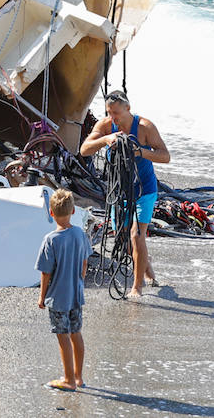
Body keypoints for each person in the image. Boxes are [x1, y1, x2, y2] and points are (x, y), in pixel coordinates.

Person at [79, 89, 170, 295]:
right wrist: (106, 139)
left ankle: (137, 287)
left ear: (128, 108)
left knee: (137, 235)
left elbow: (165, 156)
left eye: (116, 113)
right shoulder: (105, 125)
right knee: (124, 238)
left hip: (144, 189)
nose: (113, 117)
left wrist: (139, 151)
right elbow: (85, 149)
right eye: (109, 112)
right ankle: (146, 265)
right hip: (118, 191)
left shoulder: (145, 127)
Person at [36, 188, 91, 392]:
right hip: (76, 294)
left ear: (51, 213)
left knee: (63, 335)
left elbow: (45, 273)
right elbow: (85, 263)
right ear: (73, 211)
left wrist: (42, 297)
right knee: (76, 333)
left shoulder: (51, 239)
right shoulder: (80, 234)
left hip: (58, 297)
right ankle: (78, 377)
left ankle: (68, 379)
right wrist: (79, 282)